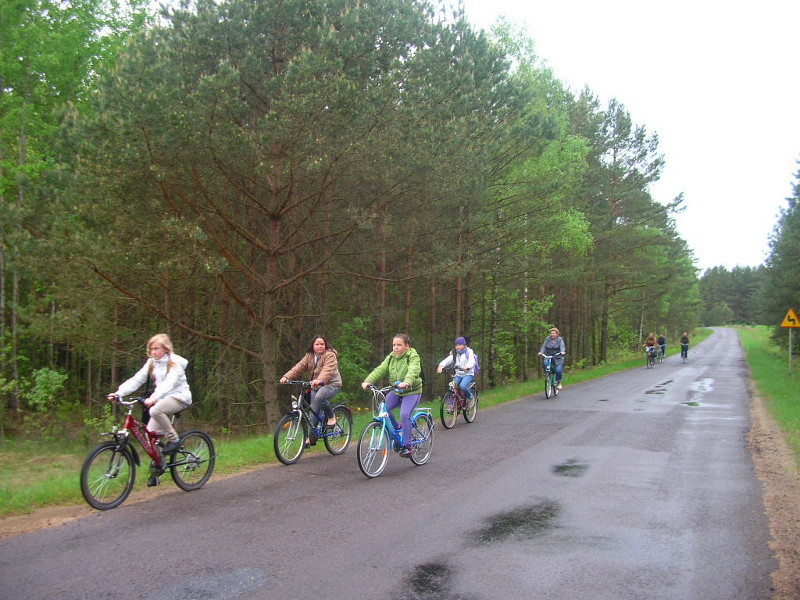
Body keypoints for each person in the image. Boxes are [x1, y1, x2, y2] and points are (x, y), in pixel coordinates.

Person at [108, 333, 191, 486]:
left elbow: (168, 384)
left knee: (155, 410)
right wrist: (119, 393)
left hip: (179, 397)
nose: (153, 352)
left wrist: (153, 398)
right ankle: (160, 466)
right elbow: (137, 379)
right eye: (151, 349)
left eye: (156, 348)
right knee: (149, 435)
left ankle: (174, 439)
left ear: (166, 349)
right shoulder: (151, 363)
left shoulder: (175, 363)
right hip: (161, 399)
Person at [361, 334, 423, 458]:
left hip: (412, 391)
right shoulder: (391, 357)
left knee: (404, 414)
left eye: (399, 345)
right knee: (382, 408)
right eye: (394, 345)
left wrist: (407, 382)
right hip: (396, 390)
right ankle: (397, 428)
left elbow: (413, 370)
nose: (396, 347)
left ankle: (407, 446)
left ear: (407, 346)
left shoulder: (413, 356)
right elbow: (380, 369)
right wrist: (368, 381)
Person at [280, 335, 342, 446]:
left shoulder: (330, 355)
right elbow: (299, 367)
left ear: (325, 345)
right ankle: (312, 439)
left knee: (320, 397)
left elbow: (328, 370)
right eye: (317, 344)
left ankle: (331, 417)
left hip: (332, 384)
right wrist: (286, 377)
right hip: (316, 386)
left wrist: (320, 380)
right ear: (313, 346)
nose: (320, 346)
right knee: (313, 413)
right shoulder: (309, 356)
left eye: (322, 344)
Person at [436, 336, 477, 407]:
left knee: (462, 386)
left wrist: (467, 366)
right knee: (452, 386)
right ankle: (451, 405)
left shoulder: (469, 352)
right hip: (458, 374)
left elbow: (472, 361)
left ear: (464, 345)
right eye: (456, 345)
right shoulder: (455, 353)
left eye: (460, 345)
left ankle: (470, 397)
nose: (458, 347)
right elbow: (448, 360)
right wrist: (441, 366)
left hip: (468, 374)